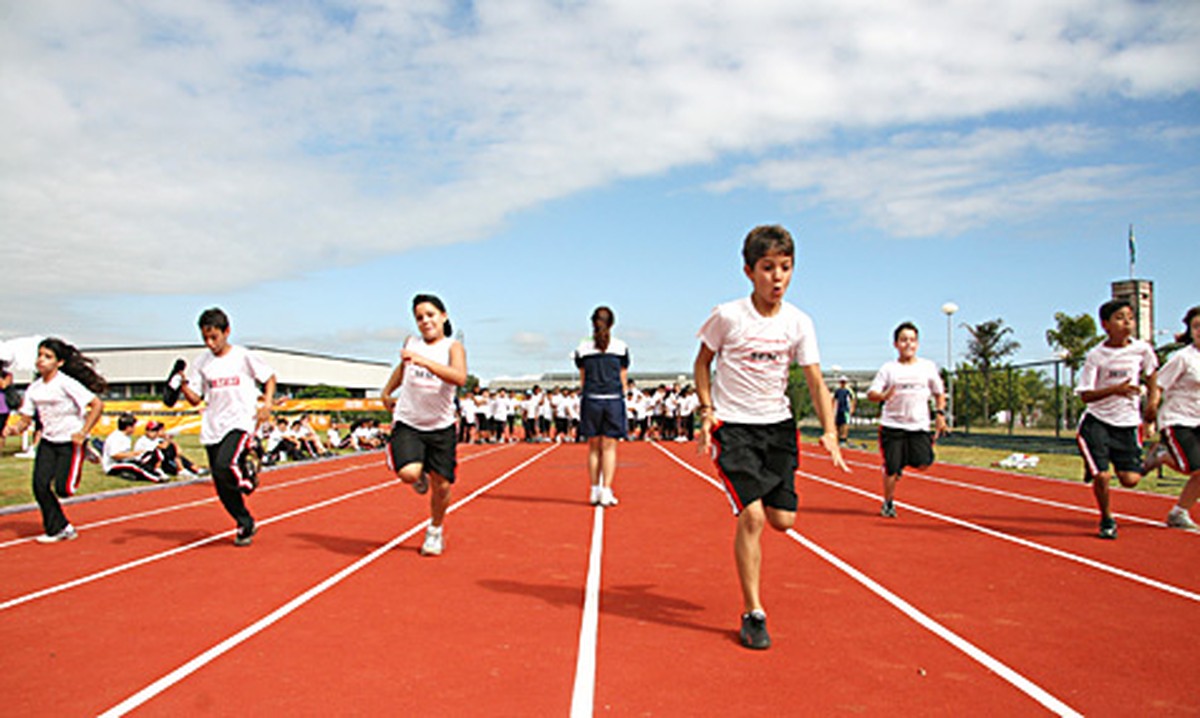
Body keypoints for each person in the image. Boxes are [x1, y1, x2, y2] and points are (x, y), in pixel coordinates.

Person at [693, 224, 848, 650]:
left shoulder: (800, 322)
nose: (777, 278)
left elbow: (815, 381)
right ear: (749, 271)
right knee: (753, 517)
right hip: (735, 427)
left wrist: (830, 432)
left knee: (783, 521)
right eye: (767, 268)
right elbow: (702, 364)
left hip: (778, 428)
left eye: (785, 268)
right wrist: (708, 410)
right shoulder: (727, 316)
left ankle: (754, 598)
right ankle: (753, 612)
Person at [177, 307, 277, 547]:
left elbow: (269, 377)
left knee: (225, 464)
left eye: (214, 337)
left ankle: (248, 475)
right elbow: (196, 399)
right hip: (213, 425)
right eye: (205, 339)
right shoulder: (202, 362)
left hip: (240, 421)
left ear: (227, 331)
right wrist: (182, 386)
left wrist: (267, 404)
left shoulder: (243, 356)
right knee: (222, 485)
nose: (210, 343)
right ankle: (245, 522)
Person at [381, 294, 467, 557]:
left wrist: (425, 362)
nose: (425, 321)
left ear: (443, 316)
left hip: (440, 426)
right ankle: (413, 469)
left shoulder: (453, 348)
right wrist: (387, 391)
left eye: (430, 315)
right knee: (408, 474)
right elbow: (402, 369)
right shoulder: (411, 343)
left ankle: (435, 530)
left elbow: (459, 378)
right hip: (409, 420)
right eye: (419, 317)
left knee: (441, 486)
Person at [2, 338, 105, 542]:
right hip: (49, 441)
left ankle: (84, 451)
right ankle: (59, 528)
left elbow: (97, 405)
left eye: (48, 357)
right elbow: (25, 419)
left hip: (71, 440)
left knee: (64, 489)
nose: (41, 360)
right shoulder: (34, 389)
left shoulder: (66, 383)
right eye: (40, 355)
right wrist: (13, 429)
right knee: (39, 485)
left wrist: (83, 432)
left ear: (59, 362)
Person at [1075, 299, 1159, 540]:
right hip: (1097, 421)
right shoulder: (1096, 355)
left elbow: (1152, 377)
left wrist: (1152, 405)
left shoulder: (1142, 350)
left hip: (1128, 423)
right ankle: (1107, 519)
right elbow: (1085, 396)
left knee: (1130, 480)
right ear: (1106, 325)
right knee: (1103, 476)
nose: (1127, 323)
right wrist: (1114, 390)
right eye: (1120, 318)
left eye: (1130, 318)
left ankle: (1154, 458)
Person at [866, 323, 948, 518]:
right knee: (891, 468)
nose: (908, 344)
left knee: (923, 462)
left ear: (917, 344)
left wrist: (940, 414)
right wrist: (883, 395)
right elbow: (871, 393)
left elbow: (939, 393)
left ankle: (901, 463)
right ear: (896, 344)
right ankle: (888, 503)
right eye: (903, 340)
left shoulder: (927, 367)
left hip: (918, 425)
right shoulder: (889, 369)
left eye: (912, 340)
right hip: (892, 425)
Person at [1143, 306, 1200, 530]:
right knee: (1195, 468)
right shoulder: (1183, 358)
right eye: (1196, 327)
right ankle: (1162, 455)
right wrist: (1152, 410)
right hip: (1178, 420)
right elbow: (1158, 385)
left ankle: (1179, 513)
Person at [574, 306, 630, 507]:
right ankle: (606, 490)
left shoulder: (582, 347)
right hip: (613, 399)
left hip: (591, 399)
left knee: (593, 448)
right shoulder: (621, 347)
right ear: (612, 323)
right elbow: (623, 378)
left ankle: (594, 489)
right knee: (609, 448)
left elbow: (582, 377)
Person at [103, 413, 166, 482]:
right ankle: (156, 478)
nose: (134, 428)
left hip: (124, 461)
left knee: (141, 463)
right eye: (133, 426)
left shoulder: (127, 436)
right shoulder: (116, 437)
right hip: (112, 465)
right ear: (128, 427)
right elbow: (114, 455)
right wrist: (133, 454)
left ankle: (157, 473)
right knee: (134, 466)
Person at [832, 376, 856, 445]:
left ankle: (843, 438)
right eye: (841, 381)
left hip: (846, 410)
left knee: (845, 424)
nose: (842, 383)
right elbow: (834, 399)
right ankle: (838, 437)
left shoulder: (848, 390)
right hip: (838, 409)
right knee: (838, 423)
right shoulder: (837, 390)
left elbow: (853, 399)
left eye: (844, 382)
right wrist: (832, 408)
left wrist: (852, 408)